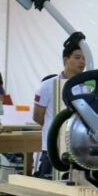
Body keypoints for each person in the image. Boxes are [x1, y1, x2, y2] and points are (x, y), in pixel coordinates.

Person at [33, 38, 88, 175]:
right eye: (77, 57)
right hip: (52, 149)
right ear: (66, 60)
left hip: (78, 149)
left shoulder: (87, 88)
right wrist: (53, 129)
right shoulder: (47, 86)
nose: (82, 62)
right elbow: (38, 116)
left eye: (84, 58)